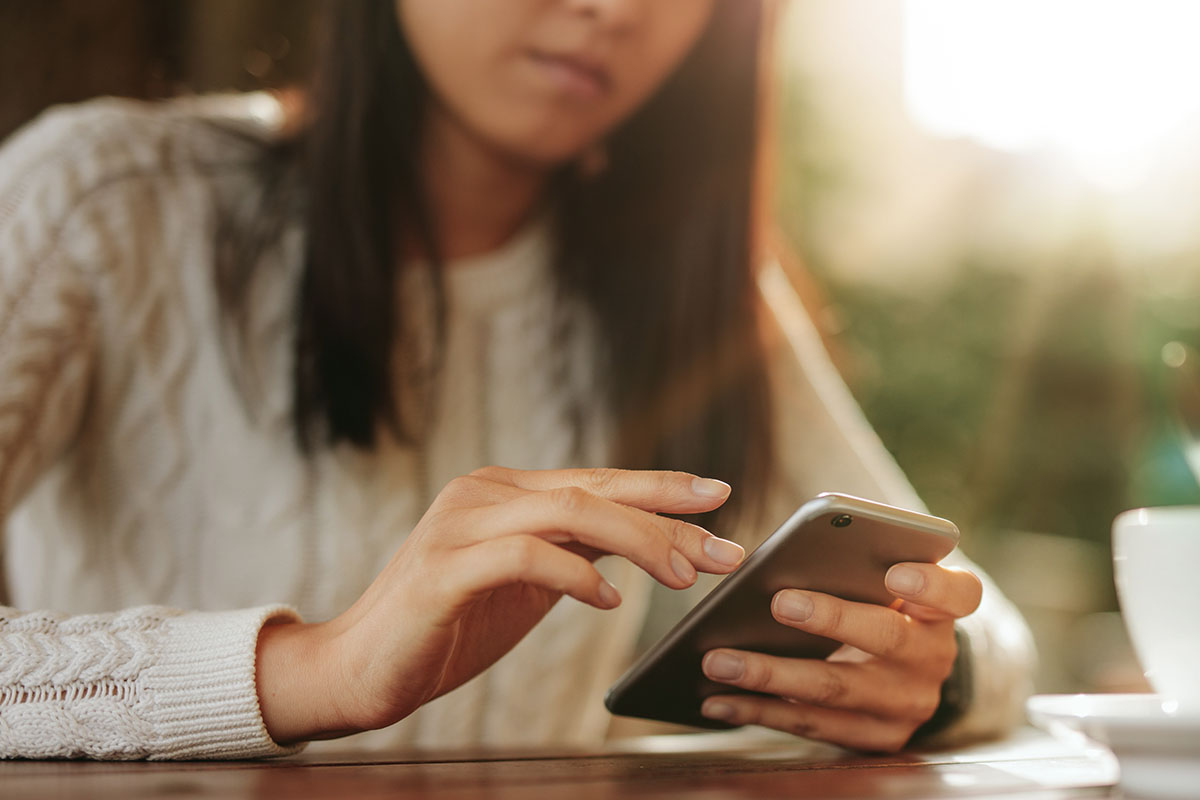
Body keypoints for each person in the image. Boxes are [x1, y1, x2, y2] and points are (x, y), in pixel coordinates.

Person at [0, 0, 1033, 759]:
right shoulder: (98, 202)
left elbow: (977, 618)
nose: (617, 12)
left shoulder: (693, 295)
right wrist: (315, 666)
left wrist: (926, 678)